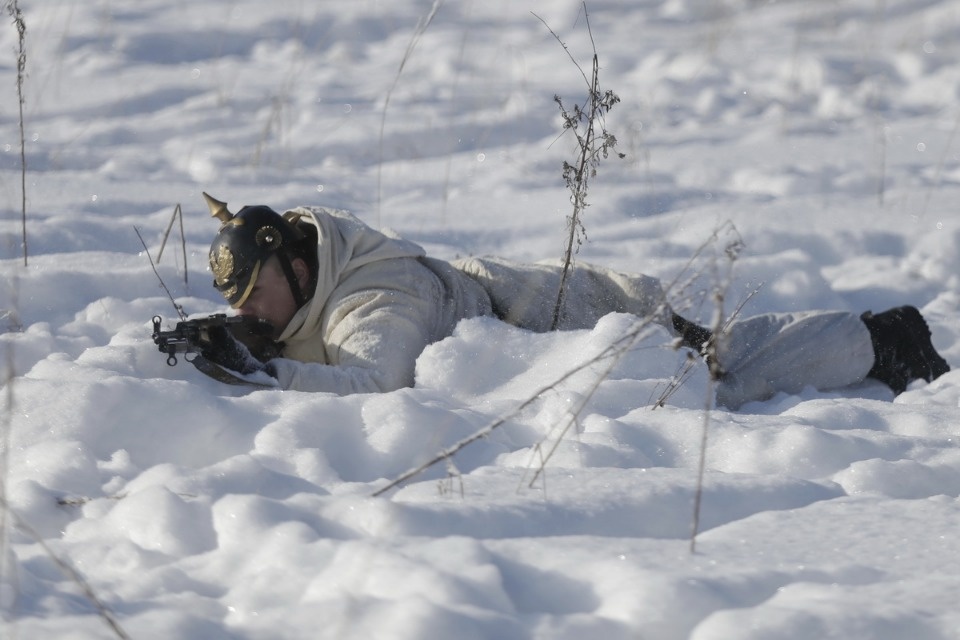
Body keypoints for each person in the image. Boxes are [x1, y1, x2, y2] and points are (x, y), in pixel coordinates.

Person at [197, 193, 950, 409]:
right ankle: (881, 342)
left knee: (733, 377)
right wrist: (249, 345)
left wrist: (264, 372)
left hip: (602, 326)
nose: (250, 312)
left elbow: (377, 381)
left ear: (296, 264)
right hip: (565, 321)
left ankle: (889, 340)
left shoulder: (378, 295)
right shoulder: (326, 285)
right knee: (736, 366)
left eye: (255, 295)